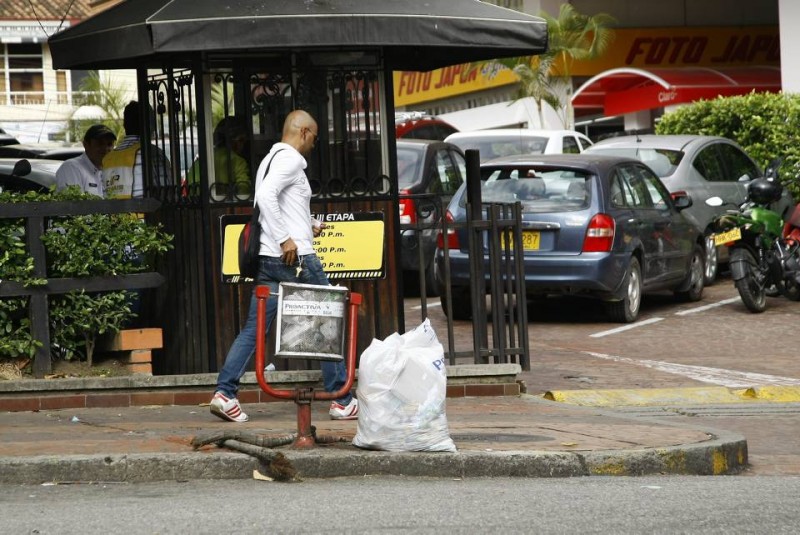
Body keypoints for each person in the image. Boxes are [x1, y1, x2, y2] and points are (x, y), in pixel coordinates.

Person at [210, 109, 359, 423]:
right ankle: (341, 399)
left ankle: (225, 393)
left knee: (254, 330)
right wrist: (286, 239)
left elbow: (279, 203)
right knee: (328, 319)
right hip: (296, 259)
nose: (314, 146)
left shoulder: (269, 160)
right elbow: (266, 196)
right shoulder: (290, 159)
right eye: (314, 138)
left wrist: (310, 223)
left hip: (269, 262)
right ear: (303, 132)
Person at [102, 100, 169, 198]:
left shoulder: (107, 159)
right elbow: (168, 194)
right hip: (144, 213)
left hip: (116, 213)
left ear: (125, 126)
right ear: (150, 125)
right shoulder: (150, 153)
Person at [185, 116, 250, 198]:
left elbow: (192, 187)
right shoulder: (238, 162)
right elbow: (244, 190)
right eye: (241, 140)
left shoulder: (203, 159)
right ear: (232, 140)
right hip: (229, 208)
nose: (243, 145)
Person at [54, 124, 117, 196]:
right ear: (86, 145)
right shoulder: (71, 167)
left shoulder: (111, 172)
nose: (106, 149)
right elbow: (73, 205)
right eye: (100, 144)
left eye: (109, 144)